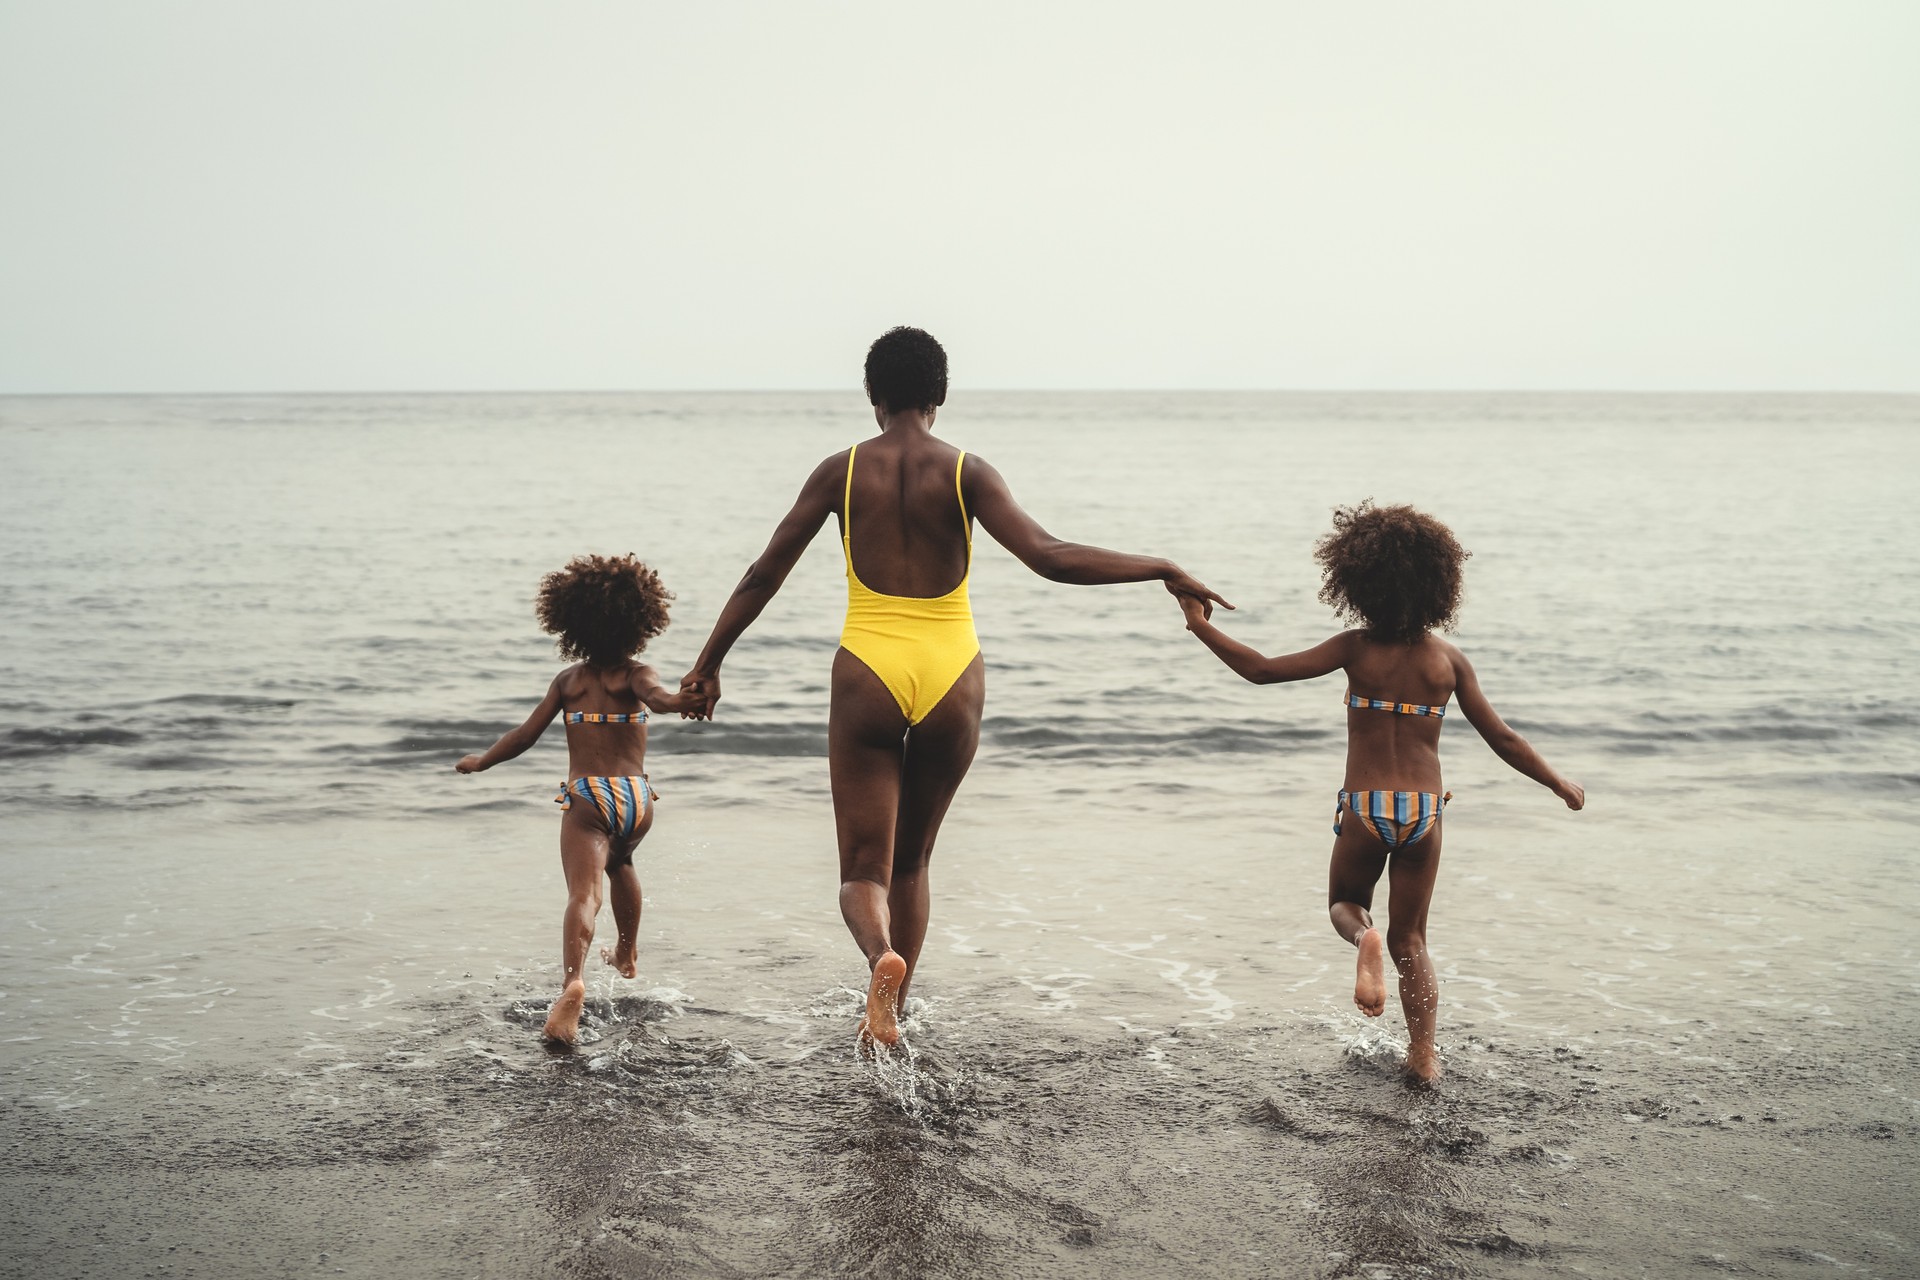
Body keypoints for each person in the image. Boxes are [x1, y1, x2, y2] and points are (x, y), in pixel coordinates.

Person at [678, 326, 1230, 1047]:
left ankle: (881, 961)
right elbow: (1051, 557)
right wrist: (1158, 566)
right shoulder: (968, 470)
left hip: (868, 668)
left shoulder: (839, 471)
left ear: (873, 397)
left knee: (862, 871)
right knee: (913, 861)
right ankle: (896, 1013)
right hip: (951, 675)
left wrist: (709, 661)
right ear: (938, 398)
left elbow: (763, 574)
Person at [1176, 501, 1583, 1082]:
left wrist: (1201, 624)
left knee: (1345, 903)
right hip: (1423, 813)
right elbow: (1503, 738)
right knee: (1413, 937)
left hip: (1365, 807)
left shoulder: (1355, 649)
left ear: (1357, 581)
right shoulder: (1449, 662)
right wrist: (1558, 782)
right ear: (1439, 586)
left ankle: (1363, 937)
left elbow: (1262, 670)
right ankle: (1423, 1057)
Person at [456, 554, 703, 1044]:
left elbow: (525, 736)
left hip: (588, 796)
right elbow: (658, 698)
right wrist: (683, 702)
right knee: (623, 865)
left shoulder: (569, 682)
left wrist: (482, 761)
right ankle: (628, 952)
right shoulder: (636, 674)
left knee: (584, 895)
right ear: (640, 621)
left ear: (570, 624)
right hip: (637, 797)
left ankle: (573, 982)